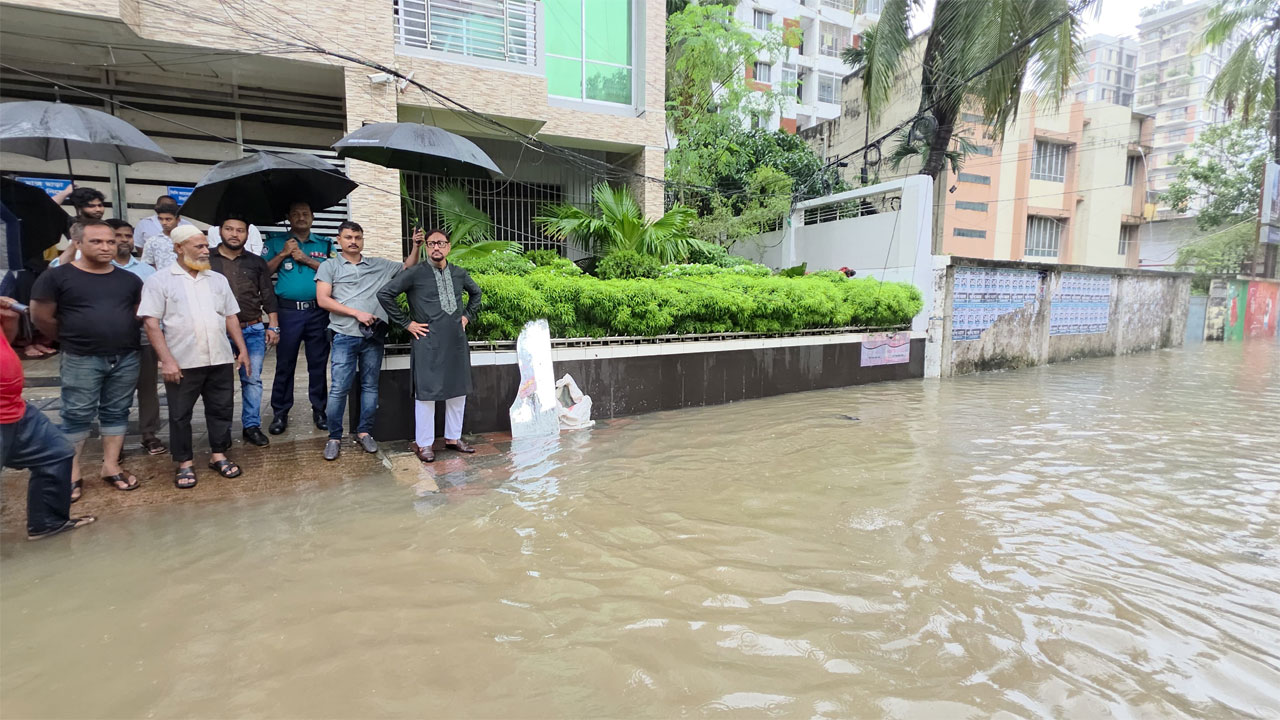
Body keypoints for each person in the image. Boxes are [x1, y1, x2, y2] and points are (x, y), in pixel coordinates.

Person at [30, 220, 144, 498]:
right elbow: (41, 317)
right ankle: (71, 471)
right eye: (97, 241)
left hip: (126, 355)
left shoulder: (129, 279)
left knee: (117, 410)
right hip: (81, 357)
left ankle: (110, 466)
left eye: (110, 241)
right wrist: (72, 337)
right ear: (78, 243)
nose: (106, 247)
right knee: (77, 414)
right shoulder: (57, 277)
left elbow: (138, 313)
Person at [138, 225, 249, 489]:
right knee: (179, 414)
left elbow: (231, 316)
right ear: (178, 248)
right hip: (182, 361)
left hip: (220, 358)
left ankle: (218, 455)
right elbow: (151, 323)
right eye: (198, 246)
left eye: (205, 245)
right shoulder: (160, 280)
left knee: (221, 409)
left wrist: (241, 349)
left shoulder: (217, 280)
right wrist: (166, 360)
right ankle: (184, 463)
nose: (205, 251)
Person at [316, 223, 422, 460]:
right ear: (339, 240)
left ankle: (365, 432)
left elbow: (407, 267)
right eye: (348, 237)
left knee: (370, 387)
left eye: (358, 237)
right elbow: (323, 300)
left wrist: (416, 246)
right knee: (339, 389)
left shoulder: (378, 265)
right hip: (344, 334)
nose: (353, 241)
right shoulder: (329, 266)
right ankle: (334, 437)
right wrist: (356, 313)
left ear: (363, 240)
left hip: (373, 336)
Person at [377, 229, 481, 463]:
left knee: (458, 391)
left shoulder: (459, 273)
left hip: (455, 341)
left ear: (448, 247)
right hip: (427, 341)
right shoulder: (415, 273)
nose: (436, 247)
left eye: (441, 243)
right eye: (432, 243)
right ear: (426, 246)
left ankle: (453, 438)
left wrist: (467, 317)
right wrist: (406, 323)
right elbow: (385, 294)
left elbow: (476, 294)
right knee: (426, 393)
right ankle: (424, 444)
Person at [1, 296, 97, 540]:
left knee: (56, 453)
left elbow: (7, 344)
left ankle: (47, 522)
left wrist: (9, 321)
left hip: (15, 409)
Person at [262, 201, 333, 435]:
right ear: (289, 218)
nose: (301, 217)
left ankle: (320, 410)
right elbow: (263, 273)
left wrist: (305, 259)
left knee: (318, 363)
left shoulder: (324, 243)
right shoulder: (274, 242)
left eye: (305, 213)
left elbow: (334, 271)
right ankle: (280, 413)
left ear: (312, 217)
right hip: (288, 312)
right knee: (285, 364)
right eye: (295, 214)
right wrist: (283, 253)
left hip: (317, 312)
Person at [208, 214, 279, 447]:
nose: (234, 234)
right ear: (220, 231)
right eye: (229, 229)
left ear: (247, 234)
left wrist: (273, 325)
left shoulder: (256, 262)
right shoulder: (207, 259)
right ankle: (222, 431)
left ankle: (251, 426)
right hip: (217, 331)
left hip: (252, 329)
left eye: (240, 230)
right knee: (220, 383)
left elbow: (268, 294)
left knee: (252, 379)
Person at [139, 199, 183, 270]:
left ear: (178, 219)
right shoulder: (152, 241)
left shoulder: (187, 238)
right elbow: (146, 266)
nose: (164, 222)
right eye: (161, 219)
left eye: (168, 219)